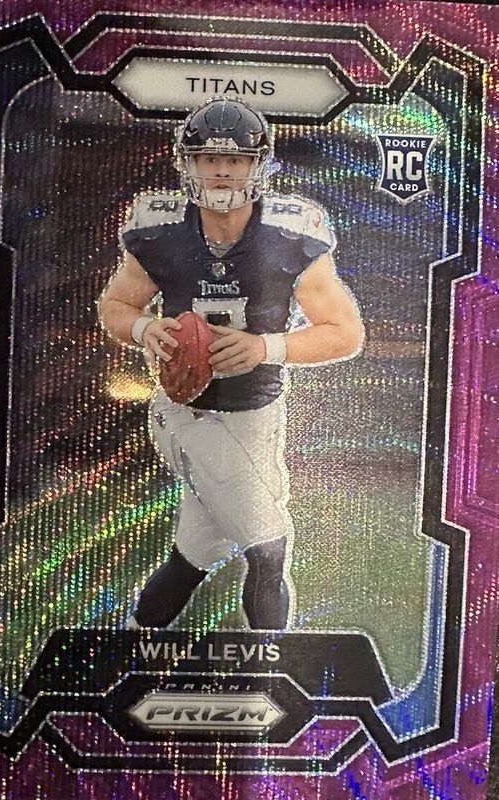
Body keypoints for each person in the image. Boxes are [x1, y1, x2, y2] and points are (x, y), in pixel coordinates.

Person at [98, 96, 364, 631]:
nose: (222, 170)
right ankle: (274, 663)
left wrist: (267, 348)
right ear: (188, 163)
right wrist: (146, 328)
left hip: (260, 416)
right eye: (209, 158)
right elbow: (115, 305)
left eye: (236, 159)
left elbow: (346, 333)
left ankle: (136, 639)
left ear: (257, 164)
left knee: (194, 554)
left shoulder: (292, 233)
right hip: (189, 414)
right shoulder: (160, 231)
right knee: (268, 545)